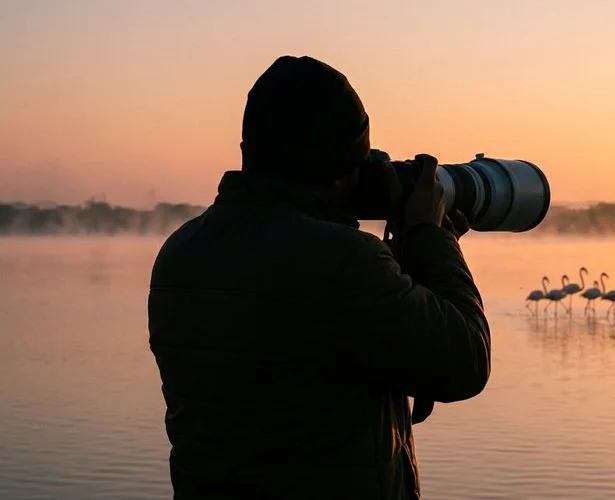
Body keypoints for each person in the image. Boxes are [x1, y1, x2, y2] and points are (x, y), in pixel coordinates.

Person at [148, 55, 491, 499]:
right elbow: (464, 361)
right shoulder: (344, 263)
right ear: (342, 167)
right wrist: (429, 234)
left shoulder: (181, 252)